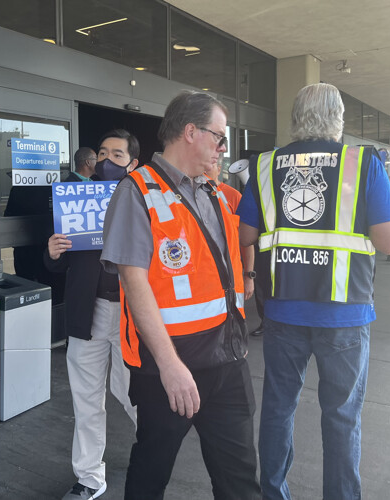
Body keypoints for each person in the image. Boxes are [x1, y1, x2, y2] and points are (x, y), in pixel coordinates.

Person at [237, 83, 390, 500]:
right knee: (342, 416)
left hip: (282, 312)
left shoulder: (266, 165)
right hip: (344, 313)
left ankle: (273, 492)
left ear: (296, 117)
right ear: (339, 117)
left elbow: (246, 233)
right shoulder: (362, 163)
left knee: (278, 408)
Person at [101, 91, 262, 500]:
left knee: (240, 479)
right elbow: (134, 286)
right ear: (190, 132)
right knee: (151, 473)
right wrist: (170, 366)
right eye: (219, 136)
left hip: (227, 361)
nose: (223, 147)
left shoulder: (215, 192)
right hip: (169, 371)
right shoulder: (136, 192)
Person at [45, 131, 138, 500]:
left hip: (133, 314)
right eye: (102, 152)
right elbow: (61, 262)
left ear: (132, 162)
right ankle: (89, 477)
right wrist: (52, 252)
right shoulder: (75, 198)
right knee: (86, 399)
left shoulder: (147, 198)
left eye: (116, 154)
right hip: (89, 311)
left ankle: (153, 448)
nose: (105, 160)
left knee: (133, 390)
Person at [206, 157, 255, 302]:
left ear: (219, 169)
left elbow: (246, 242)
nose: (204, 170)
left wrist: (248, 275)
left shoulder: (234, 196)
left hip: (231, 275)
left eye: (210, 166)